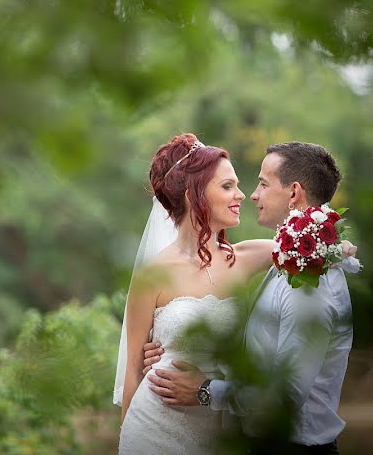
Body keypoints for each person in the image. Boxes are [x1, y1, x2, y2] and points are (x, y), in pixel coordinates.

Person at [142, 142, 354, 454]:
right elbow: (254, 347)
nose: (251, 195)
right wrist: (170, 348)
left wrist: (204, 390)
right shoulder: (285, 258)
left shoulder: (311, 280)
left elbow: (284, 397)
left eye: (263, 183)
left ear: (293, 192)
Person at [116, 133, 276, 454]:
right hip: (154, 428)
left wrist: (335, 244)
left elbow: (308, 247)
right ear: (193, 194)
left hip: (221, 428)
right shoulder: (153, 274)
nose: (242, 195)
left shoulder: (247, 258)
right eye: (227, 186)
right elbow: (133, 369)